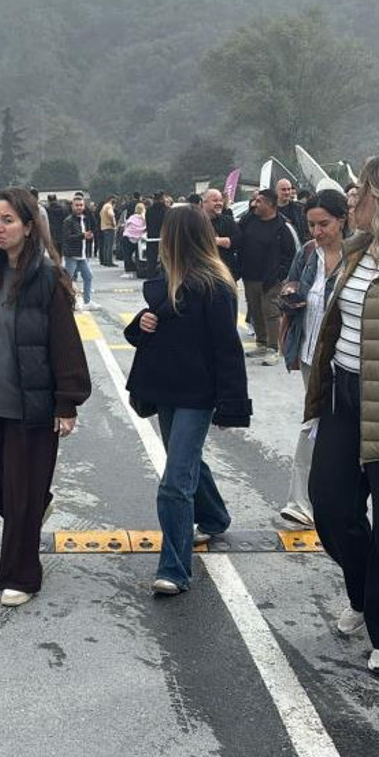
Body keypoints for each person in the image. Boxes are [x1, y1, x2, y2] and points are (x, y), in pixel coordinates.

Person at [305, 154, 379, 675]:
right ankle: (367, 592)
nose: (352, 199)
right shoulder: (357, 251)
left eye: (362, 192)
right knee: (330, 507)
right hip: (344, 395)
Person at [0, 187, 91, 606]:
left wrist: (66, 401)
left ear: (29, 227)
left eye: (8, 220)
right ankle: (32, 508)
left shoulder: (46, 279)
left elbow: (65, 343)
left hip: (28, 405)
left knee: (19, 493)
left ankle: (22, 575)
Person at [125, 206, 251, 594]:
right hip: (166, 389)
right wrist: (141, 324)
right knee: (186, 461)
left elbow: (228, 350)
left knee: (175, 481)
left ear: (177, 239)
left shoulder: (216, 286)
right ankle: (214, 516)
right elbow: (149, 334)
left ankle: (174, 569)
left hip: (197, 395)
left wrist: (232, 405)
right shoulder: (163, 280)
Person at [278, 190, 348, 527]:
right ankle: (300, 501)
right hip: (310, 355)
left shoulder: (358, 256)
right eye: (311, 225)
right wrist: (290, 296)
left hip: (344, 357)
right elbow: (290, 285)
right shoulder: (308, 253)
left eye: (324, 224)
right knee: (313, 423)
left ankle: (328, 499)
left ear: (343, 220)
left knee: (332, 427)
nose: (317, 232)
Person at [237, 188, 297, 365]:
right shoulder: (248, 220)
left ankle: (273, 348)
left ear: (270, 205)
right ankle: (261, 343)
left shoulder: (283, 226)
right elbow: (238, 238)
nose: (255, 204)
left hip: (271, 279)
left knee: (271, 312)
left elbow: (290, 254)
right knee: (255, 311)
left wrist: (280, 275)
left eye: (259, 201)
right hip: (250, 276)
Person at [62, 193, 97, 308]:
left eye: (81, 205)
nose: (79, 207)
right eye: (77, 205)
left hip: (82, 254)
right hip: (72, 255)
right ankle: (65, 302)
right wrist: (83, 235)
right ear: (72, 206)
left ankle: (87, 302)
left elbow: (84, 234)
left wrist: (88, 236)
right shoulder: (68, 221)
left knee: (88, 276)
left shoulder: (84, 219)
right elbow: (67, 237)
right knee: (67, 280)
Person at [202, 188, 240, 281]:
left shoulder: (228, 220)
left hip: (227, 273)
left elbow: (239, 240)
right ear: (204, 202)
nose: (219, 203)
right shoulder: (196, 221)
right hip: (205, 274)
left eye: (220, 200)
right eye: (215, 201)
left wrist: (218, 241)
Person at [276, 177, 308, 243]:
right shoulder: (270, 210)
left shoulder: (300, 209)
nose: (287, 192)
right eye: (283, 190)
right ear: (276, 191)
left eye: (289, 189)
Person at [144, 192, 167, 279]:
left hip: (151, 238)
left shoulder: (149, 211)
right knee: (165, 260)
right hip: (164, 238)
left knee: (151, 260)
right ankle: (164, 278)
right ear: (161, 199)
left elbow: (147, 223)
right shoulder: (166, 210)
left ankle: (150, 278)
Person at [121, 201, 147, 277]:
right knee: (138, 254)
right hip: (139, 239)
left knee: (127, 255)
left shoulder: (132, 217)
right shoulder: (144, 219)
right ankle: (137, 267)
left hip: (127, 237)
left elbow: (126, 225)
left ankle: (128, 269)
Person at [99, 195, 118, 267]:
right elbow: (111, 215)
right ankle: (110, 261)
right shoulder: (109, 206)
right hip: (109, 227)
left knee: (106, 245)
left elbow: (100, 214)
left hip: (104, 227)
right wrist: (113, 223)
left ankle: (105, 261)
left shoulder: (104, 206)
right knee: (110, 246)